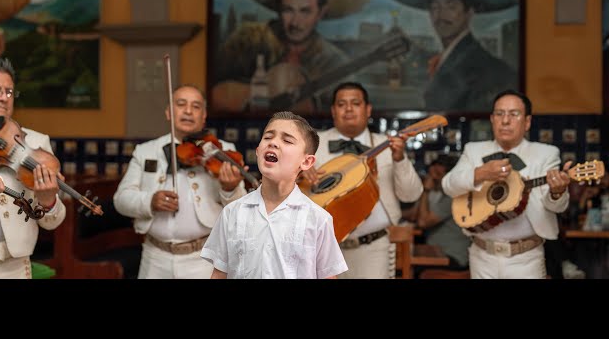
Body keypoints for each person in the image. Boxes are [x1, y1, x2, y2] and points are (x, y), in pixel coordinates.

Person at [113, 84, 248, 279]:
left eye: (196, 106)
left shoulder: (223, 151)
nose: (188, 111)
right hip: (154, 258)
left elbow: (241, 211)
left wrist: (230, 188)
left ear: (204, 116)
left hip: (204, 259)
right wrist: (149, 200)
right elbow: (121, 200)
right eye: (181, 104)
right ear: (169, 112)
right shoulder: (146, 151)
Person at [442, 89, 572, 279]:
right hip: (482, 256)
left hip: (526, 258)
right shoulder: (473, 150)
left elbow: (555, 206)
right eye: (499, 114)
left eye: (514, 114)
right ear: (492, 119)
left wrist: (557, 193)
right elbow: (448, 186)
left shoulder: (546, 154)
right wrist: (479, 174)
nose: (505, 121)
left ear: (527, 122)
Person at [200, 111, 348, 279]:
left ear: (307, 162)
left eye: (287, 140)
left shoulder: (318, 219)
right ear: (257, 151)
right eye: (268, 137)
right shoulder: (232, 213)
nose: (274, 143)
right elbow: (219, 273)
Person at [301, 82, 423, 279]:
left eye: (355, 103)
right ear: (333, 111)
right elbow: (284, 192)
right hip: (321, 247)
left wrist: (399, 159)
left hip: (373, 248)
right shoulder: (310, 145)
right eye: (341, 104)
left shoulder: (389, 146)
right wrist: (299, 176)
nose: (348, 109)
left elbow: (411, 195)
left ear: (368, 110)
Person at [0, 56, 66, 279]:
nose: (3, 98)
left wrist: (48, 200)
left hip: (9, 269)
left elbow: (53, 221)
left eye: (9, 92)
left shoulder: (35, 143)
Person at [382, 0, 518, 112]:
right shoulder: (448, 59)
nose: (441, 15)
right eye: (435, 7)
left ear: (469, 13)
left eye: (451, 7)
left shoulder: (489, 69)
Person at [211, 0, 351, 114]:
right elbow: (214, 88)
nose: (295, 22)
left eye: (305, 11)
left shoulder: (333, 60)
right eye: (288, 10)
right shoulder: (248, 40)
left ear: (320, 13)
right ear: (278, 10)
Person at [412, 156, 471, 272]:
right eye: (430, 174)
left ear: (451, 177)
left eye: (438, 174)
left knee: (409, 268)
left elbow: (423, 222)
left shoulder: (453, 197)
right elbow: (415, 214)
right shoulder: (444, 195)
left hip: (453, 258)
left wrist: (426, 190)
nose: (432, 178)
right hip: (439, 252)